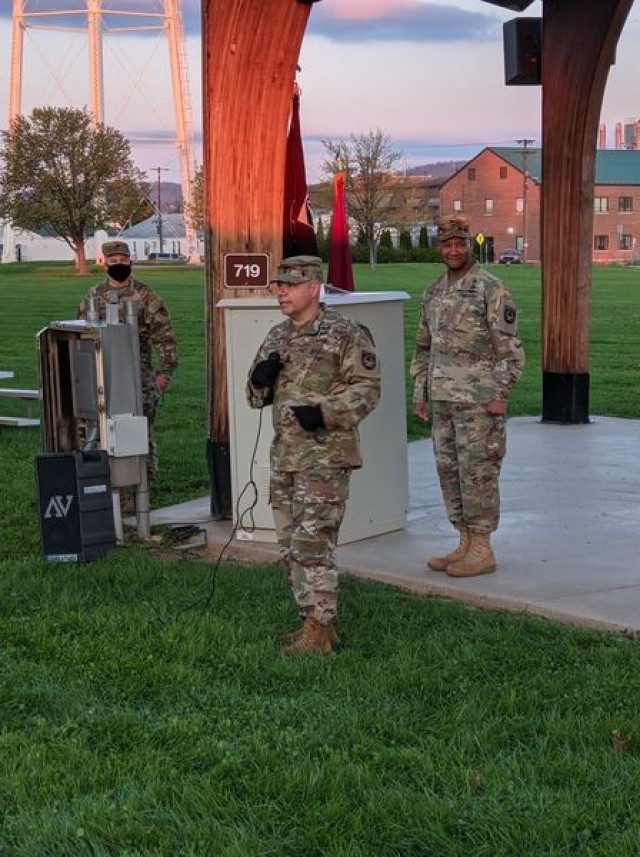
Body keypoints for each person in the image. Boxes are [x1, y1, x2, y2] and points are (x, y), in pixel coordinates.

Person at [246, 255, 380, 656]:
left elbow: (368, 390)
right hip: (285, 455)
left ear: (314, 286)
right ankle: (314, 619)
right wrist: (258, 381)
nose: (281, 292)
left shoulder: (347, 334)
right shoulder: (276, 337)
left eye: (290, 284)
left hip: (325, 458)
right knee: (289, 545)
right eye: (278, 285)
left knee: (313, 544)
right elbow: (255, 398)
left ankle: (317, 629)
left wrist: (324, 413)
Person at [410, 215, 525, 577]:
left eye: (460, 243)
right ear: (440, 248)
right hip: (443, 399)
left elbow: (511, 351)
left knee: (478, 473)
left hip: (479, 401)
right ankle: (464, 542)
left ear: (469, 246)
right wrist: (421, 393)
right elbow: (422, 348)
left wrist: (501, 394)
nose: (454, 249)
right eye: (447, 244)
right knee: (450, 471)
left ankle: (483, 548)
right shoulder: (433, 291)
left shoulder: (491, 289)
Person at [78, 240, 178, 486]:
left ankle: (144, 484)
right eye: (114, 262)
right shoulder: (94, 296)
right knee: (102, 428)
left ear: (130, 261)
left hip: (138, 373)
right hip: (103, 373)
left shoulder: (146, 295)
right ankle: (108, 483)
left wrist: (165, 370)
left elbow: (163, 334)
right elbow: (81, 334)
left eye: (123, 260)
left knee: (140, 428)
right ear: (105, 264)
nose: (119, 265)